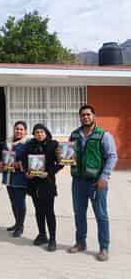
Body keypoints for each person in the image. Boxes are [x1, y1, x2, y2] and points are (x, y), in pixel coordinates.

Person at [67, 105, 117, 262]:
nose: (85, 117)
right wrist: (62, 155)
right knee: (79, 213)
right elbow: (69, 155)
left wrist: (105, 176)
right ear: (80, 117)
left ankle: (104, 248)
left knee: (101, 215)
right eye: (82, 115)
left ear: (94, 116)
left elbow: (112, 156)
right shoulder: (74, 135)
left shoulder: (103, 135)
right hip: (78, 182)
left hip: (96, 182)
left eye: (88, 114)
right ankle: (81, 242)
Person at [22, 123, 63, 252]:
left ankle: (52, 239)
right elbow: (24, 160)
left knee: (49, 211)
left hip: (47, 182)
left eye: (41, 132)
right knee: (38, 210)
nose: (39, 134)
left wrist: (49, 172)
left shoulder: (54, 145)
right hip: (33, 183)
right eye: (36, 132)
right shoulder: (29, 145)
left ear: (46, 133)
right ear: (33, 134)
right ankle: (42, 234)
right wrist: (26, 172)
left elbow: (61, 162)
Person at [0, 121, 29, 238]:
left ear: (25, 131)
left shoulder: (27, 144)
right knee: (13, 202)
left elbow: (30, 159)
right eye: (17, 129)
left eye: (21, 129)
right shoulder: (7, 142)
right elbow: (3, 157)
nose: (18, 131)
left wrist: (19, 164)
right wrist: (0, 164)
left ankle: (20, 226)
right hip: (9, 177)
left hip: (20, 178)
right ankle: (17, 223)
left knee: (20, 203)